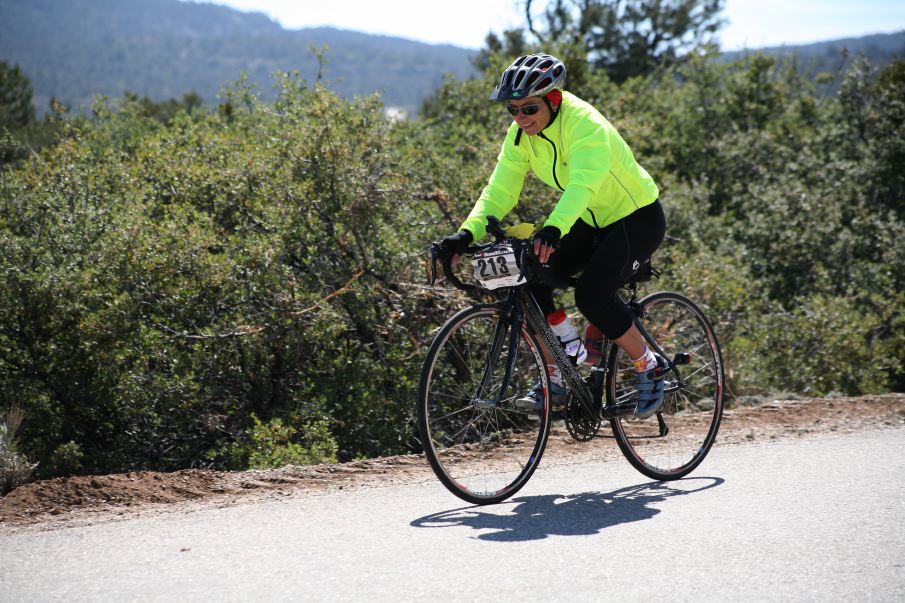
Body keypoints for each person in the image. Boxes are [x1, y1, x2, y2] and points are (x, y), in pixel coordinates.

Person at [438, 52, 667, 418]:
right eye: (512, 110)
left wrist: (554, 227)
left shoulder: (584, 124)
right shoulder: (520, 136)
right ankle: (562, 366)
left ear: (554, 99)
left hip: (635, 218)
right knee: (529, 275)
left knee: (592, 294)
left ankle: (649, 364)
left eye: (528, 109)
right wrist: (465, 234)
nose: (520, 118)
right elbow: (499, 191)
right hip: (590, 221)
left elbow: (583, 184)